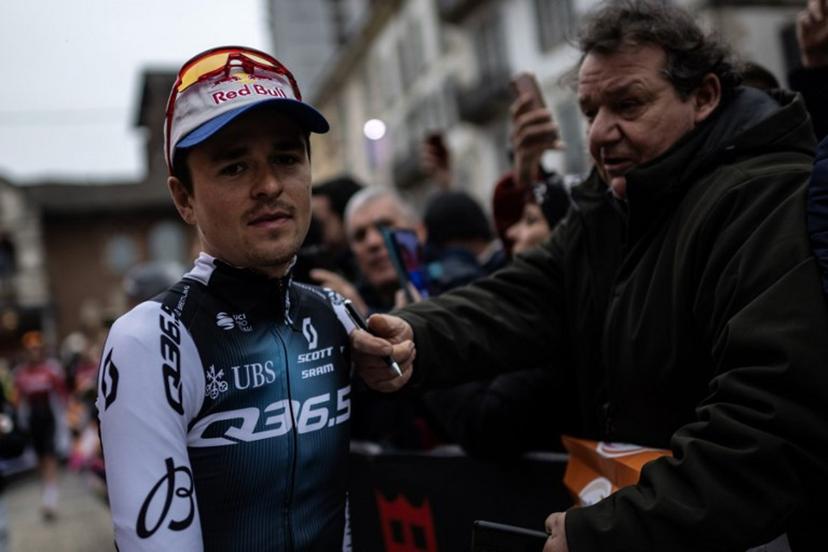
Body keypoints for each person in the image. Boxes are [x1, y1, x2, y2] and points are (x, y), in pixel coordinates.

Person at [351, 1, 828, 550]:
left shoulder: (762, 197)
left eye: (628, 104)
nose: (601, 133)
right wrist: (412, 334)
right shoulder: (610, 207)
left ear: (704, 97)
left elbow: (770, 426)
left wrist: (612, 530)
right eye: (589, 110)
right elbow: (523, 295)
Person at [96, 46, 355, 551]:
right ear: (183, 197)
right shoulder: (150, 340)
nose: (270, 185)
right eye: (234, 167)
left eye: (286, 157)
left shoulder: (339, 316)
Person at [13, 331, 65, 520]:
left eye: (36, 348)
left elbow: (62, 395)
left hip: (48, 417)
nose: (34, 352)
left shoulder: (51, 370)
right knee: (40, 460)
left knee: (50, 458)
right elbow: (17, 400)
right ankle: (45, 495)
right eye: (30, 349)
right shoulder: (20, 374)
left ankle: (51, 500)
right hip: (33, 420)